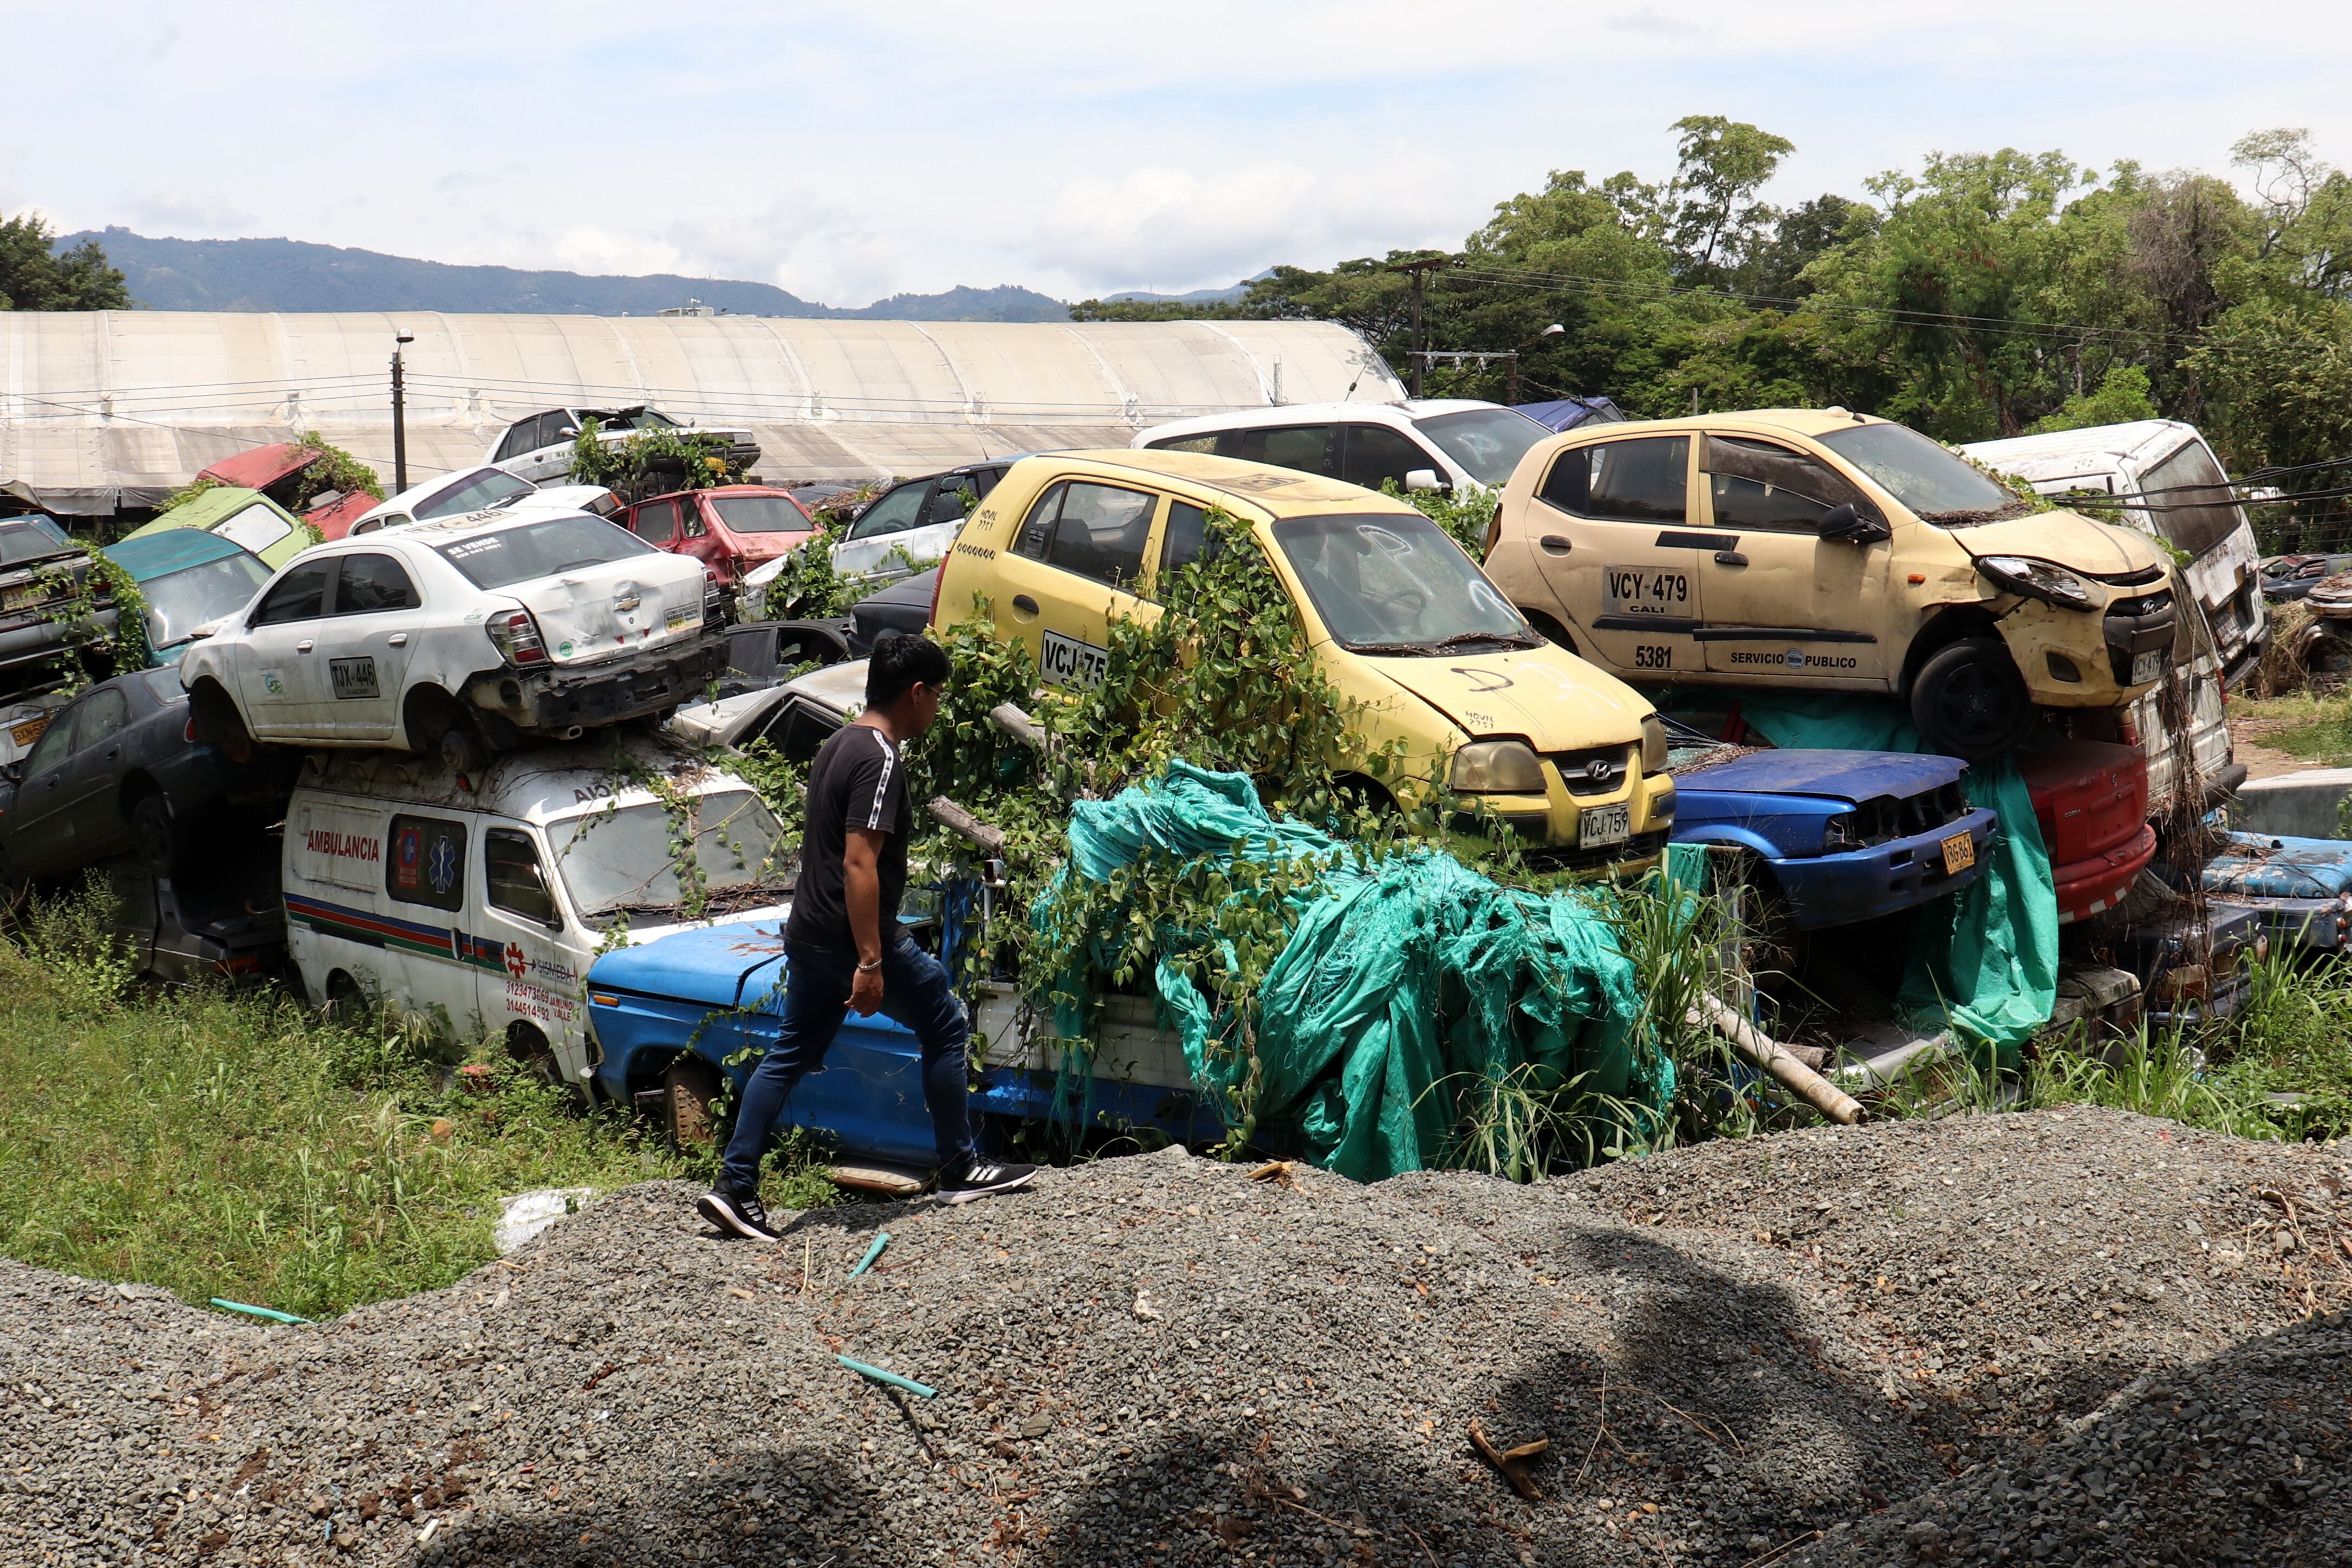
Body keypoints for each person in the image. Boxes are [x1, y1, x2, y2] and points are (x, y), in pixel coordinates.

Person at [699, 635, 1036, 1240]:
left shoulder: (836, 744)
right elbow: (859, 863)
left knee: (791, 1052)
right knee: (944, 1022)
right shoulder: (880, 757)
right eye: (936, 696)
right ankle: (961, 1167)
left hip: (808, 931)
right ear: (916, 693)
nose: (936, 708)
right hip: (848, 937)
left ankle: (735, 1187)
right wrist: (872, 961)